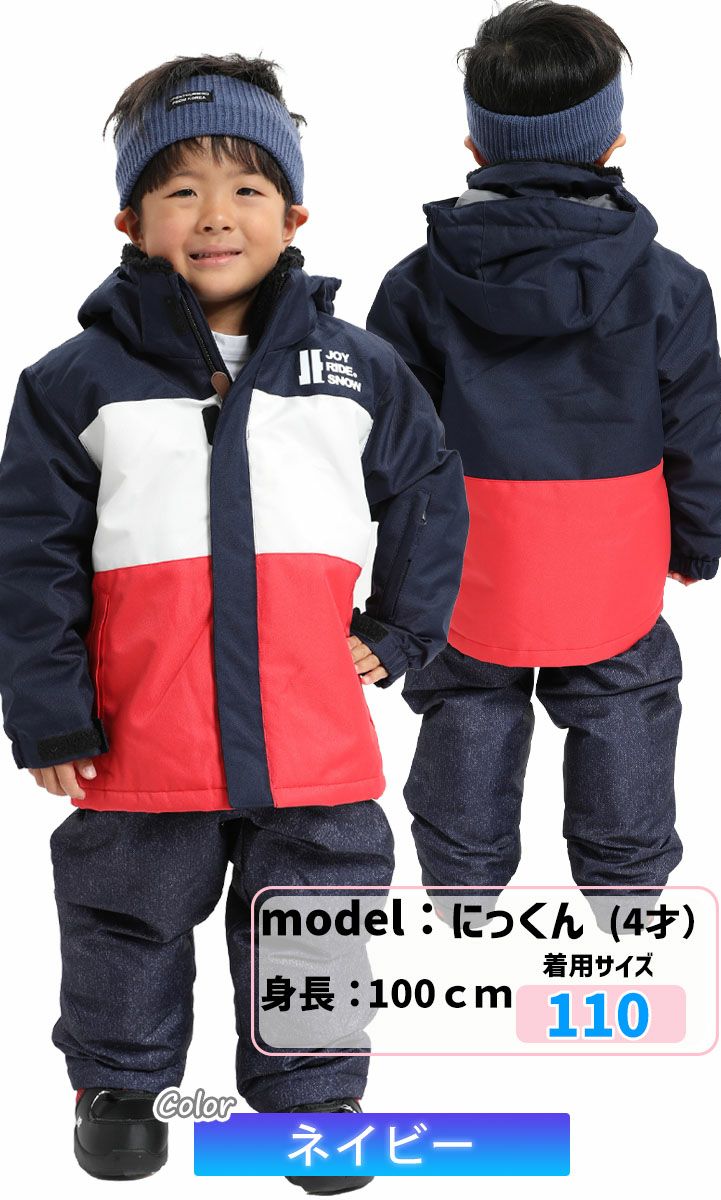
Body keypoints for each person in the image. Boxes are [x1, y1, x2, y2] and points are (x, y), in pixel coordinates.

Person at [0, 54, 468, 1190]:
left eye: (247, 188)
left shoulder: (356, 370)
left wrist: (400, 632)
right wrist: (49, 711)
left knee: (316, 910)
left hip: (309, 732)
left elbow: (428, 492)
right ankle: (122, 1084)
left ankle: (313, 1094)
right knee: (124, 913)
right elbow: (29, 555)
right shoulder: (74, 383)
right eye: (181, 191)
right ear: (130, 221)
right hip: (141, 731)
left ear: (294, 215)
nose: (215, 215)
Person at [367, 1, 721, 932]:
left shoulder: (415, 284)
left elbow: (385, 447)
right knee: (625, 706)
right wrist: (697, 538)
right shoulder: (671, 283)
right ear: (611, 141)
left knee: (467, 706)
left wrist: (394, 575)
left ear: (476, 145)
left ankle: (461, 899)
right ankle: (628, 905)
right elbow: (696, 423)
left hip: (465, 564)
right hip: (612, 559)